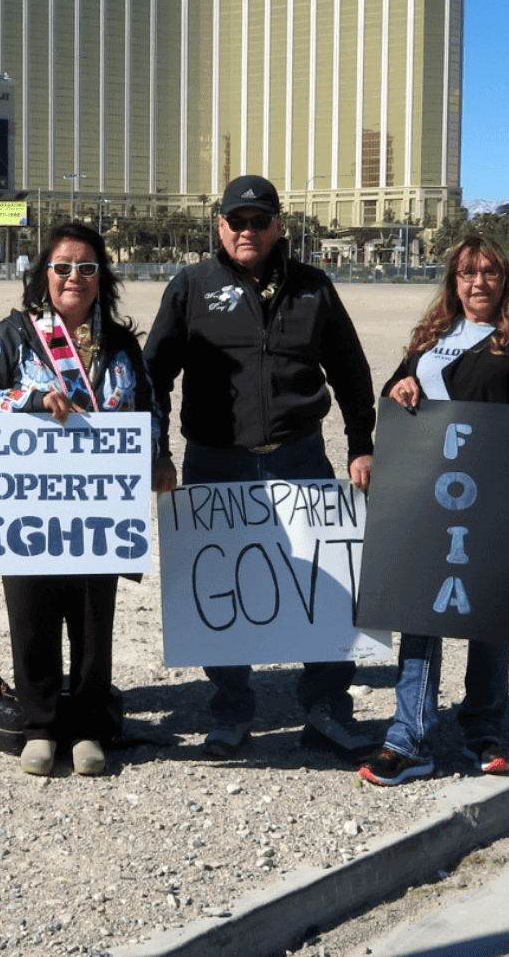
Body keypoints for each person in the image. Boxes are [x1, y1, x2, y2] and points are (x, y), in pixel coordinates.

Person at [144, 175, 376, 761]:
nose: (247, 230)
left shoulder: (313, 288)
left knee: (328, 587)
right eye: (236, 220)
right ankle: (230, 712)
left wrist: (360, 443)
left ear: (278, 226)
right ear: (219, 226)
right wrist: (158, 449)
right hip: (215, 460)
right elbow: (154, 374)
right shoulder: (191, 286)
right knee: (218, 588)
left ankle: (326, 708)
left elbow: (350, 370)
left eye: (258, 220)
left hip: (300, 456)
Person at [358, 234, 509, 786]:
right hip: (431, 500)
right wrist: (400, 383)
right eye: (467, 273)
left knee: (490, 615)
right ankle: (409, 738)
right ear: (453, 281)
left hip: (499, 504)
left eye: (490, 273)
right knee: (419, 618)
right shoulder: (430, 339)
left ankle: (484, 730)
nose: (479, 283)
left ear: (506, 280)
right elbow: (396, 396)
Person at [0, 222, 160, 777]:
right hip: (28, 503)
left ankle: (90, 724)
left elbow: (148, 406)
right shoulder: (12, 335)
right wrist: (30, 400)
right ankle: (40, 725)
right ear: (43, 275)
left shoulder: (120, 343)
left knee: (94, 616)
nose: (75, 277)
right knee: (32, 612)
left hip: (98, 503)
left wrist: (158, 456)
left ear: (102, 277)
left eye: (87, 267)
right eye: (63, 267)